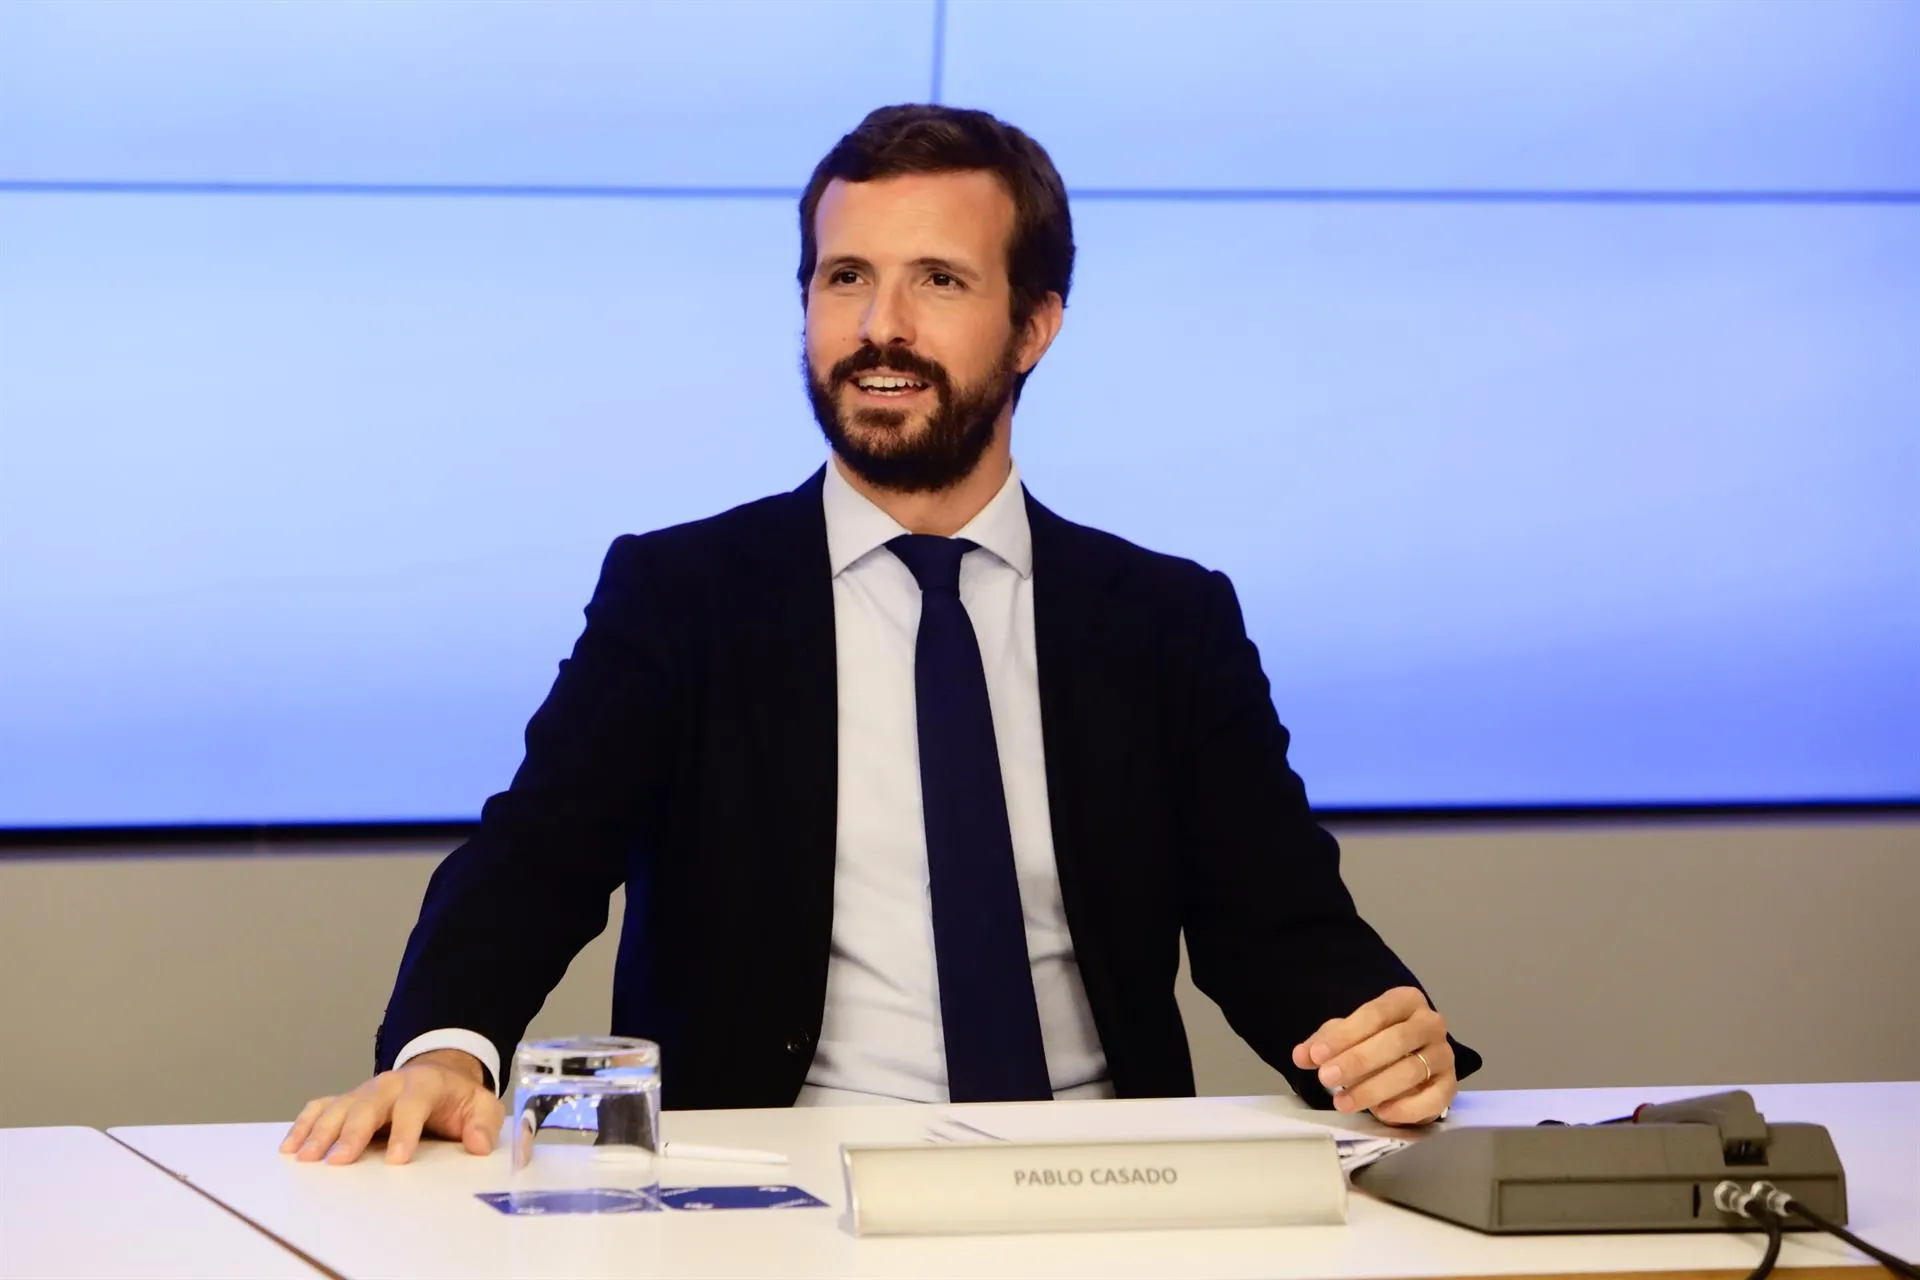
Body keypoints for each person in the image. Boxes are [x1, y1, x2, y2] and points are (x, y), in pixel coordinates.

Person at [282, 104, 1479, 1167]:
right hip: (786, 1195)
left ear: (1037, 323)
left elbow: (1280, 928)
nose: (880, 326)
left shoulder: (1162, 616)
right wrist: (448, 1050)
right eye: (844, 277)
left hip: (1107, 1189)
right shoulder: (684, 592)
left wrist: (1383, 1036)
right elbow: (530, 863)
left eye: (938, 282)